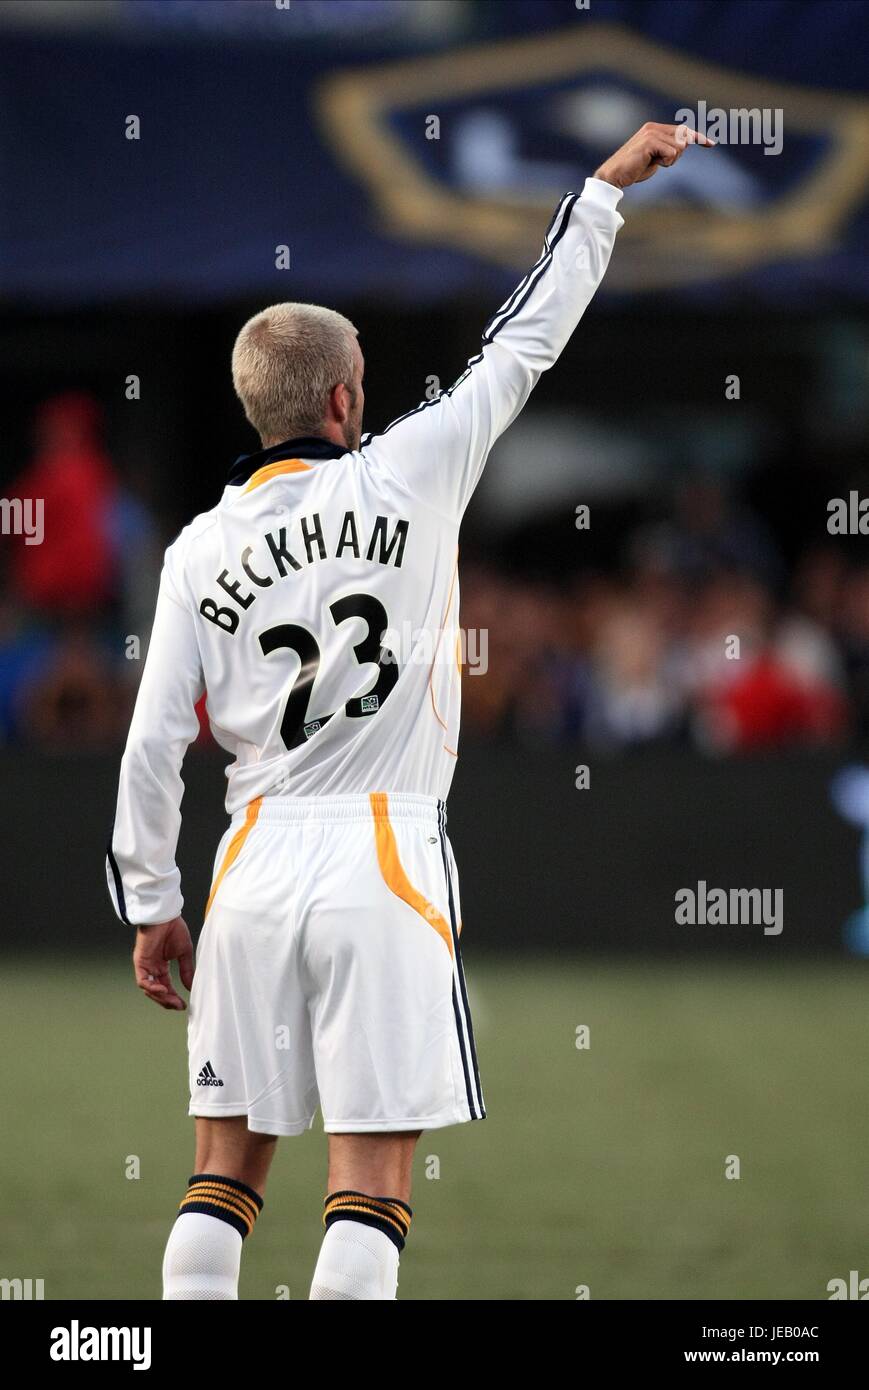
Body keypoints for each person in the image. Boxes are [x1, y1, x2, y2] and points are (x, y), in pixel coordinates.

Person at [106, 123, 711, 1301]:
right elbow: (523, 342)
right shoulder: (410, 468)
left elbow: (147, 749)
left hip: (248, 864)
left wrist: (153, 905)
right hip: (380, 850)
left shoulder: (193, 552)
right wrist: (597, 195)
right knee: (369, 1188)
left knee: (219, 1179)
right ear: (344, 398)